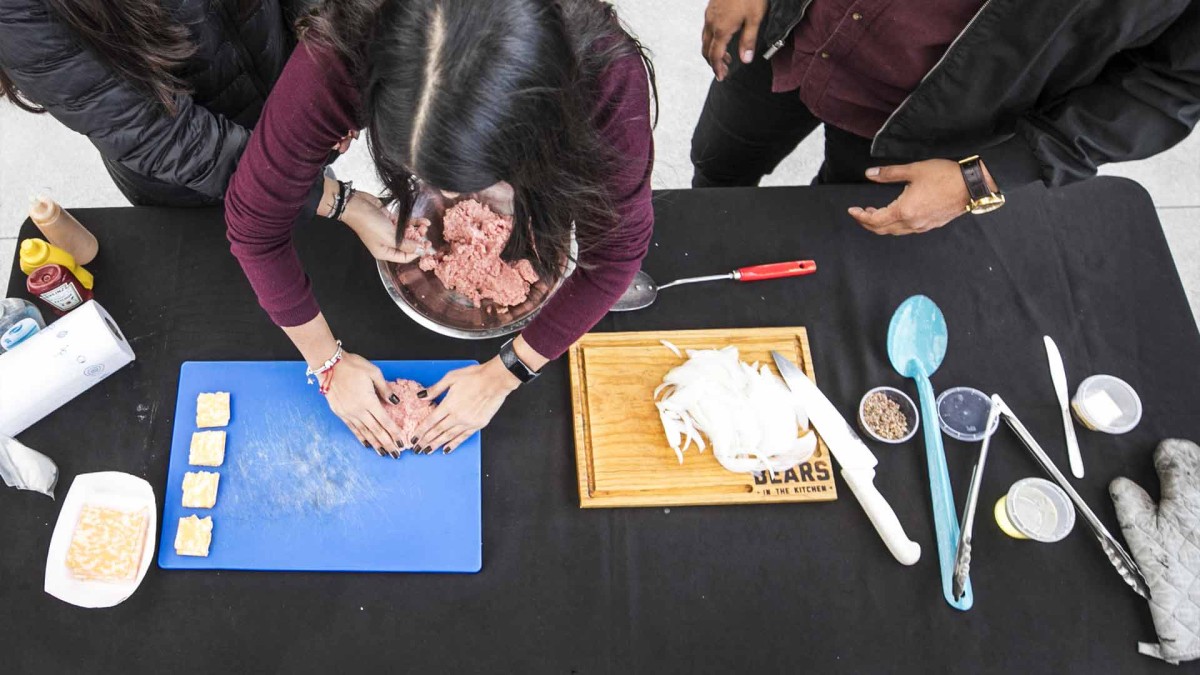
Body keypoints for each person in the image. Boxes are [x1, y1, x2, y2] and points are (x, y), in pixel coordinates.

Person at [225, 0, 655, 456]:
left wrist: (506, 372)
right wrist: (327, 363)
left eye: (486, 184)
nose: (461, 202)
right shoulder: (343, 46)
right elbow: (254, 225)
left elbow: (615, 256)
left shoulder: (602, 74)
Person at [693, 0, 1200, 235]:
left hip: (926, 131)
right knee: (716, 167)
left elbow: (1174, 82)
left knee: (830, 238)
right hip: (780, 35)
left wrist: (979, 180)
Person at [0, 0, 323, 207]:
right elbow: (151, 132)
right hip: (193, 181)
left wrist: (325, 66)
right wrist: (324, 196)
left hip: (297, 119)